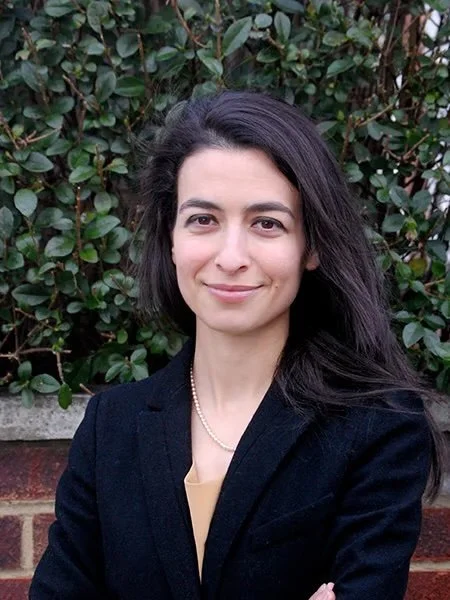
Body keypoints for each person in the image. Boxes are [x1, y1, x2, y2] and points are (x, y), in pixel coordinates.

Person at [30, 90, 443, 600]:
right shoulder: (110, 427)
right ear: (171, 237)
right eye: (203, 219)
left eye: (267, 223)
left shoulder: (378, 427)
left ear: (311, 246)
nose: (231, 257)